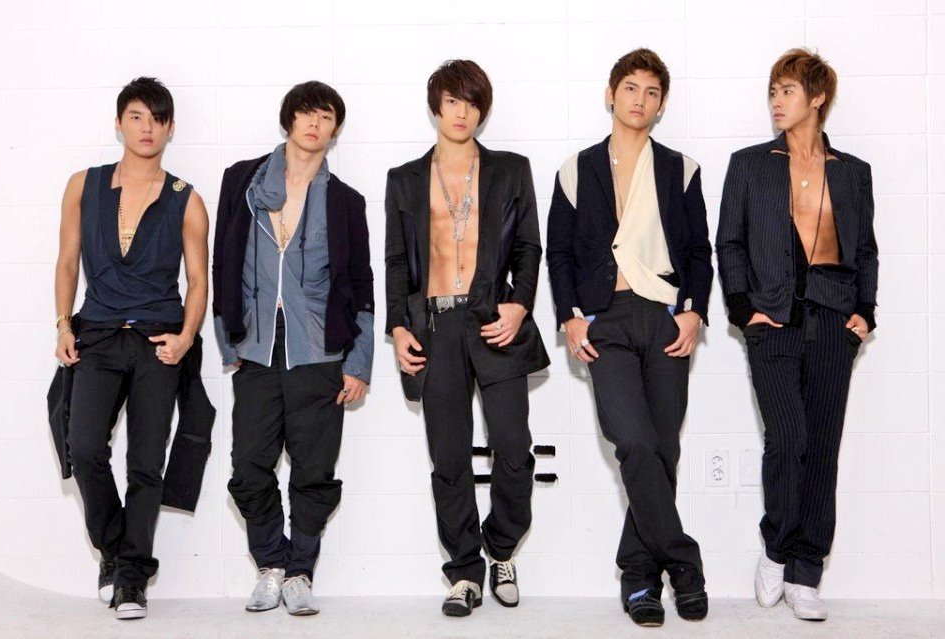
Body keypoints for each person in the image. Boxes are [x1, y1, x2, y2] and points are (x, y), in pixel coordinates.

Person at [546, 49, 712, 627]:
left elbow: (699, 251)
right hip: (605, 320)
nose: (640, 100)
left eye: (652, 92)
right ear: (611, 94)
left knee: (662, 451)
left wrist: (693, 312)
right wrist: (570, 317)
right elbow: (559, 252)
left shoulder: (681, 169)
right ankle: (684, 564)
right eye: (631, 88)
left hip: (664, 317)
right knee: (636, 443)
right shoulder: (576, 169)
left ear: (661, 104)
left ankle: (639, 576)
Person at [716, 48, 878, 622]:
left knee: (823, 446)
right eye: (773, 91)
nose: (777, 101)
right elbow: (729, 243)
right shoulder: (750, 165)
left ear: (818, 97)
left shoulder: (852, 172)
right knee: (787, 438)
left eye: (787, 91)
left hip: (834, 320)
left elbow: (865, 249)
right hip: (772, 320)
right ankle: (776, 546)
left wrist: (865, 312)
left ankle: (806, 571)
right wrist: (743, 310)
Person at [384, 59, 549, 617]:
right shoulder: (404, 179)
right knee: (449, 457)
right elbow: (395, 261)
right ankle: (463, 571)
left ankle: (500, 548)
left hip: (493, 321)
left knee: (514, 448)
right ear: (436, 106)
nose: (462, 113)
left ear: (483, 111)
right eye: (453, 101)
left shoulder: (511, 169)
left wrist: (520, 303)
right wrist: (399, 326)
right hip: (435, 326)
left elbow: (528, 245)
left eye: (472, 103)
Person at [213, 81, 373, 616]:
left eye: (326, 117)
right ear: (289, 119)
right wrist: (228, 339)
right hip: (257, 350)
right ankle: (270, 565)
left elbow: (362, 284)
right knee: (248, 467)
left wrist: (358, 363)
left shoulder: (346, 201)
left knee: (314, 471)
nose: (314, 124)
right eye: (306, 113)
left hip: (320, 353)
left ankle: (300, 570)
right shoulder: (243, 181)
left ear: (334, 129)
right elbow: (223, 262)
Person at [53, 77, 209, 619]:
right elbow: (67, 260)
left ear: (170, 128)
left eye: (158, 119)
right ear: (119, 122)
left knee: (146, 462)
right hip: (96, 335)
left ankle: (131, 579)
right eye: (137, 116)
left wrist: (185, 338)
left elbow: (199, 280)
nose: (147, 128)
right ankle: (117, 551)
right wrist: (63, 325)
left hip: (157, 341)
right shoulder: (84, 185)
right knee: (84, 447)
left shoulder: (187, 199)